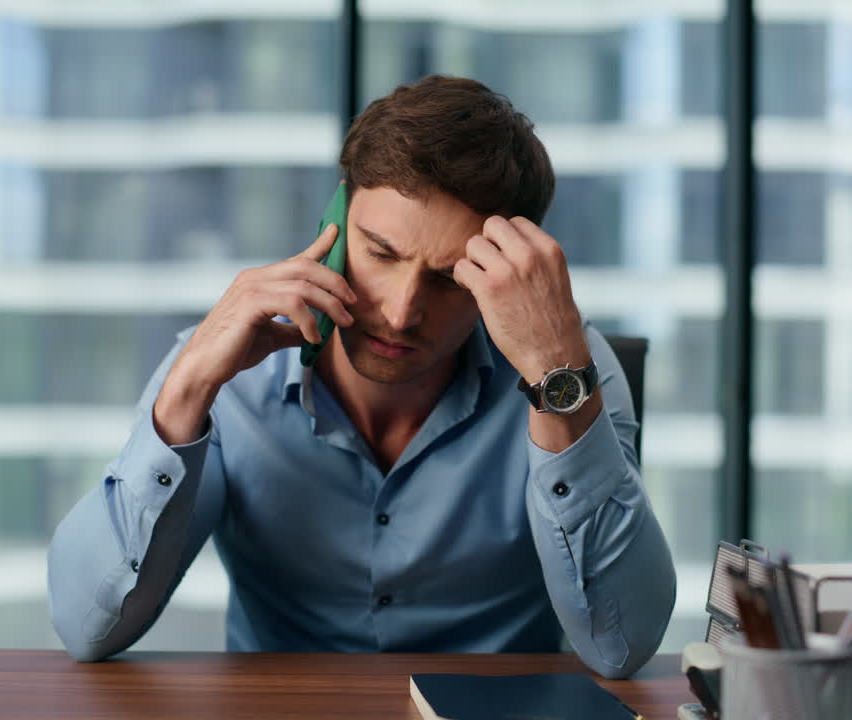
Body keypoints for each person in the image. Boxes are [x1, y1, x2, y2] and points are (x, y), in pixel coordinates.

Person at [47, 75, 675, 679]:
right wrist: (185, 392)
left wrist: (557, 379)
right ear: (336, 219)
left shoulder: (569, 371)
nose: (401, 314)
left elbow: (621, 646)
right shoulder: (227, 371)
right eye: (381, 253)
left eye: (451, 278)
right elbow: (87, 627)